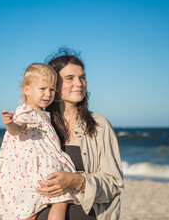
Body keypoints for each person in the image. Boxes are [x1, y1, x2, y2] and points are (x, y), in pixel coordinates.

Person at [36, 48, 124, 220]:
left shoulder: (100, 125)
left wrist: (76, 181)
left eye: (82, 78)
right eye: (69, 78)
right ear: (53, 83)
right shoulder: (38, 124)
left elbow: (114, 185)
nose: (79, 83)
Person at [0, 63, 80, 220]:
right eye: (42, 89)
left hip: (31, 169)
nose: (48, 94)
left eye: (52, 89)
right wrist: (9, 124)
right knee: (60, 199)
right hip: (39, 166)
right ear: (27, 90)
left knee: (29, 210)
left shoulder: (43, 113)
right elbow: (18, 128)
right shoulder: (28, 112)